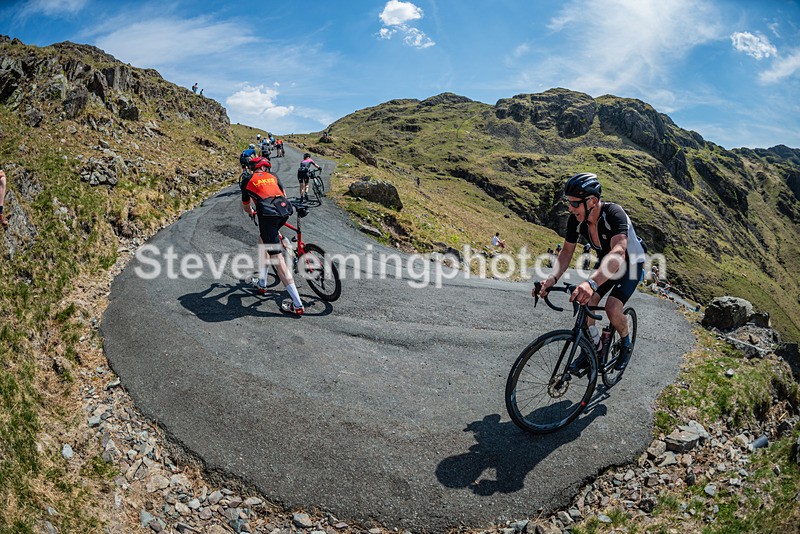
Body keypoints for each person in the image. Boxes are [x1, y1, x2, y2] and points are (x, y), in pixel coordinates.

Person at [536, 172, 645, 371]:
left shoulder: (614, 214)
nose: (570, 208)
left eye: (574, 203)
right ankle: (593, 348)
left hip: (630, 264)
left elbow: (619, 252)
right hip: (607, 262)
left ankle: (626, 343)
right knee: (587, 302)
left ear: (592, 201)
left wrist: (591, 283)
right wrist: (551, 279)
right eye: (569, 202)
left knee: (612, 308)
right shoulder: (575, 220)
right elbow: (566, 252)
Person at [241, 157, 305, 315]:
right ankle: (262, 283)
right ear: (263, 168)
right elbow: (284, 194)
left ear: (252, 168)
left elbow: (246, 206)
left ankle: (297, 305)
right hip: (284, 210)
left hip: (267, 216)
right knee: (263, 240)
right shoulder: (273, 176)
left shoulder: (247, 180)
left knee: (277, 259)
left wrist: (252, 212)